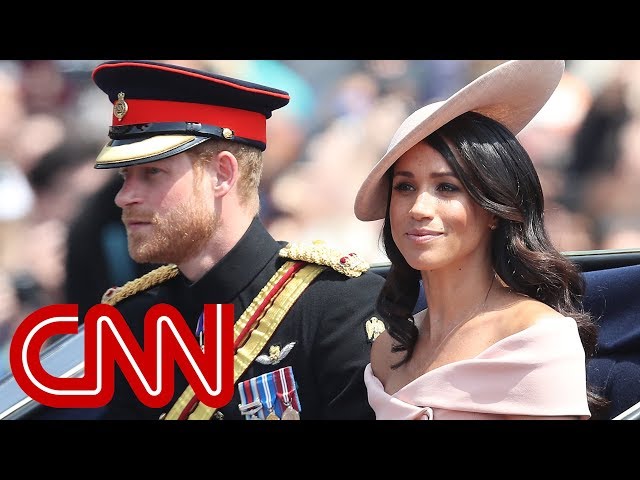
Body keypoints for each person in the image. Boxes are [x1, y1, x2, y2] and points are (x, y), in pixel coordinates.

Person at [86, 60, 386, 420]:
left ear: (222, 174)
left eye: (152, 172)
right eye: (125, 176)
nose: (124, 197)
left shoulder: (337, 305)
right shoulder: (135, 319)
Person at [353, 60, 608, 420]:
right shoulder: (386, 350)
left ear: (494, 209)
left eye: (447, 188)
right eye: (405, 187)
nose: (419, 208)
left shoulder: (535, 336)